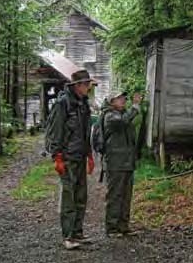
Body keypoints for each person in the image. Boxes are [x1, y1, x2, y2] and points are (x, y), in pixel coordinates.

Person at [45, 70, 95, 250]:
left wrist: (89, 155)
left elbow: (85, 131)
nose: (88, 88)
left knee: (81, 196)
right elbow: (56, 131)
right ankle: (67, 236)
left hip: (80, 156)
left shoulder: (83, 103)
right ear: (78, 85)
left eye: (88, 84)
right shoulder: (63, 103)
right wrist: (57, 156)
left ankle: (77, 233)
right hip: (67, 157)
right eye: (86, 84)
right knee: (69, 197)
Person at [102, 90, 142, 237]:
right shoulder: (110, 116)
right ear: (112, 101)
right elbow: (123, 121)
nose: (124, 99)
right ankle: (111, 228)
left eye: (123, 97)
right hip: (115, 163)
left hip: (127, 162)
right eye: (119, 98)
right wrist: (135, 106)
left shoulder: (122, 114)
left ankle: (123, 226)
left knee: (126, 195)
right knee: (115, 195)